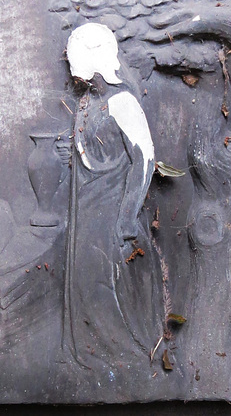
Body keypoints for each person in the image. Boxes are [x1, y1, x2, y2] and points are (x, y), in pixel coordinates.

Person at [63, 23, 163, 370]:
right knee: (87, 290)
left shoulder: (122, 101)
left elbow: (145, 158)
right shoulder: (88, 101)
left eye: (77, 52)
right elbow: (88, 150)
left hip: (110, 216)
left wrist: (127, 218)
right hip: (87, 214)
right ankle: (91, 360)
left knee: (106, 290)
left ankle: (125, 362)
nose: (71, 60)